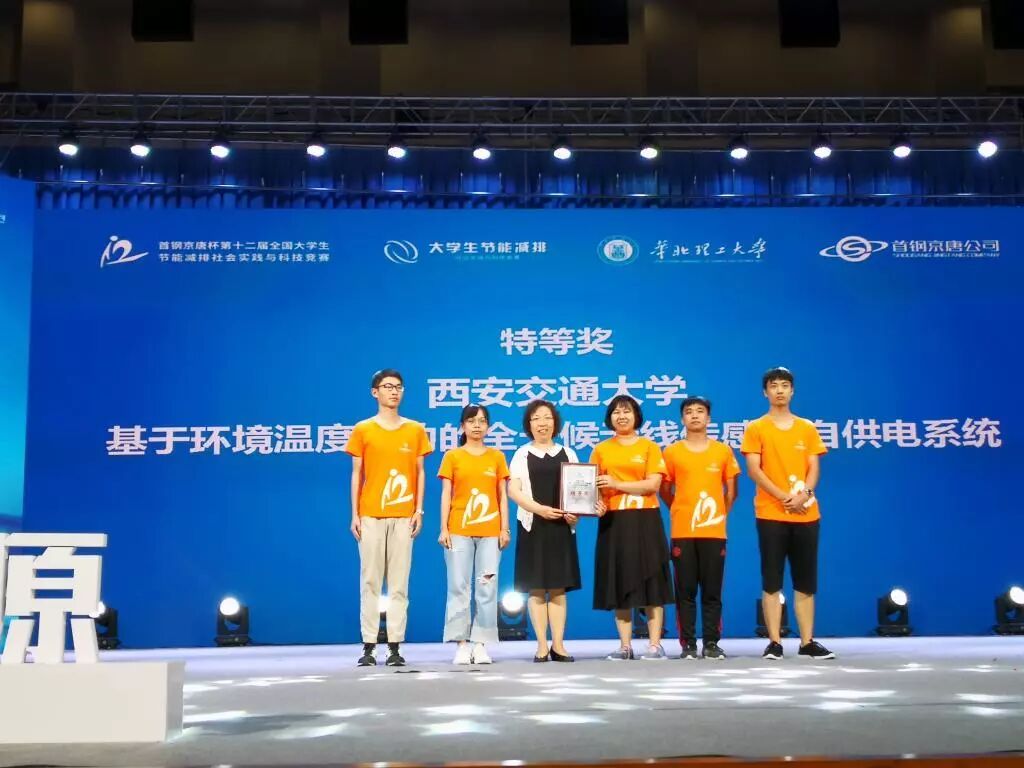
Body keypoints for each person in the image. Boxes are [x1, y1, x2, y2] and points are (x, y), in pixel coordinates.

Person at [741, 366, 834, 661]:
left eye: (784, 385)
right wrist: (784, 497)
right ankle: (774, 642)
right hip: (771, 513)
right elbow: (754, 470)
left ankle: (807, 641)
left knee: (805, 581)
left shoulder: (807, 428)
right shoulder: (756, 428)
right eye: (774, 385)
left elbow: (814, 467)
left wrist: (804, 494)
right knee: (772, 580)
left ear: (792, 391)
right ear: (765, 392)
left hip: (806, 513)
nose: (779, 390)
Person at [345, 369, 432, 667]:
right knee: (370, 580)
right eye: (387, 387)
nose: (394, 392)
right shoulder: (363, 429)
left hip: (404, 515)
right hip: (370, 514)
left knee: (399, 583)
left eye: (398, 387)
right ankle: (369, 645)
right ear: (375, 392)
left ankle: (395, 645)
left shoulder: (415, 430)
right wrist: (355, 514)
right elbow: (357, 474)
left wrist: (418, 510)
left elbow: (420, 472)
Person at [590, 395, 673, 660]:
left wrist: (617, 484)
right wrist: (595, 504)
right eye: (616, 412)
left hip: (645, 518)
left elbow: (653, 485)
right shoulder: (601, 449)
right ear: (609, 418)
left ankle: (654, 644)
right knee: (620, 582)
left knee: (653, 582)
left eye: (626, 411)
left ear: (636, 416)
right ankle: (625, 646)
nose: (621, 416)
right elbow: (591, 487)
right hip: (614, 521)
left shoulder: (650, 447)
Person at [660, 396, 740, 660]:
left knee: (712, 591)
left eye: (700, 411)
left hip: (714, 532)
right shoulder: (672, 452)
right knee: (685, 592)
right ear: (682, 419)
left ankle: (712, 643)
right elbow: (665, 490)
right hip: (683, 531)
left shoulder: (722, 451)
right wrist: (680, 509)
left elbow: (731, 491)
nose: (694, 415)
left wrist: (716, 516)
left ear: (708, 418)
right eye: (689, 412)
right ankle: (689, 644)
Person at [509, 400, 583, 663]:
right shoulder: (522, 454)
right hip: (533, 525)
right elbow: (513, 490)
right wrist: (539, 509)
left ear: (555, 422)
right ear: (529, 425)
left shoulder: (568, 453)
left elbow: (580, 491)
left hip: (561, 527)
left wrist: (575, 513)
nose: (542, 423)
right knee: (537, 588)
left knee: (558, 588)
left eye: (547, 418)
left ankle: (559, 645)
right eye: (536, 418)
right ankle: (542, 645)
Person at [438, 404, 511, 665]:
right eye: (471, 421)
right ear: (463, 426)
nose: (477, 425)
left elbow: (502, 495)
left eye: (482, 421)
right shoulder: (452, 456)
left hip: (490, 532)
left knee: (487, 586)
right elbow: (446, 494)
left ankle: (481, 644)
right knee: (458, 586)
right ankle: (461, 644)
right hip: (459, 530)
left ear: (488, 427)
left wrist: (504, 528)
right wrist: (444, 528)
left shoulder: (496, 457)